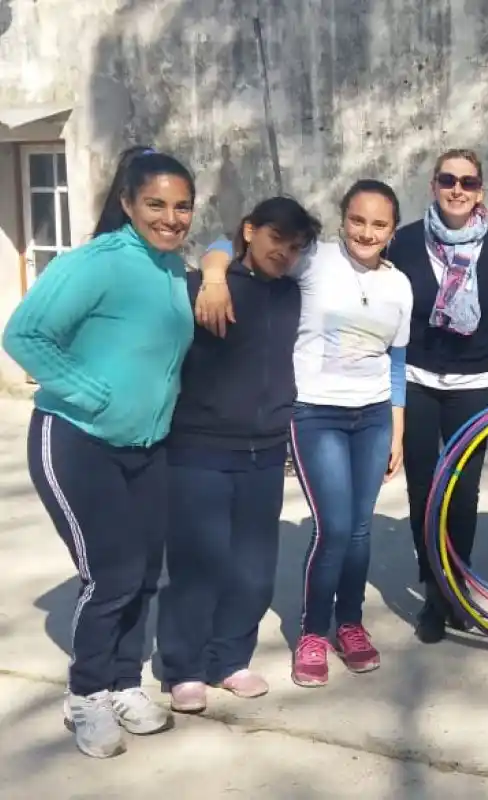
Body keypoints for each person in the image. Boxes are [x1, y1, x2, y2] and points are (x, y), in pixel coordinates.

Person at [2, 145, 196, 758]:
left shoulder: (171, 266)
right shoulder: (96, 262)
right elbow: (24, 334)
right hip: (77, 441)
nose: (171, 218)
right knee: (109, 573)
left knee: (142, 574)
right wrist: (91, 392)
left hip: (147, 448)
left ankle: (122, 683)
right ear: (128, 204)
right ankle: (85, 694)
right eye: (156, 205)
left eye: (182, 206)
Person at [194, 180, 413, 689]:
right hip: (317, 414)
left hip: (375, 415)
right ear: (343, 220)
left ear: (392, 231)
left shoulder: (399, 285)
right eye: (357, 220)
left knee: (360, 530)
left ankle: (351, 624)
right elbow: (232, 244)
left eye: (379, 224)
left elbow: (396, 360)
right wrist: (213, 275)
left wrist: (397, 426)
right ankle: (314, 631)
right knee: (334, 528)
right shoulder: (313, 259)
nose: (366, 231)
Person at [158, 197, 322, 713]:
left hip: (266, 451)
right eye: (276, 240)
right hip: (199, 446)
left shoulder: (294, 294)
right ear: (249, 231)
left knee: (253, 567)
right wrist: (213, 270)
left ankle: (229, 659)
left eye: (295, 247)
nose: (285, 254)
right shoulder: (205, 286)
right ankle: (183, 667)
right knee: (197, 563)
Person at [385, 149, 488, 644]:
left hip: (473, 385)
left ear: (480, 190)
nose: (457, 189)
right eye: (448, 180)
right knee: (423, 491)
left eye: (467, 182)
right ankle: (433, 591)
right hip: (418, 379)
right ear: (434, 186)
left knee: (463, 494)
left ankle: (457, 586)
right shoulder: (402, 243)